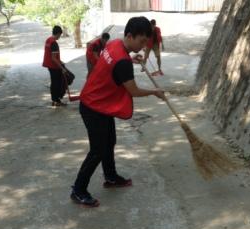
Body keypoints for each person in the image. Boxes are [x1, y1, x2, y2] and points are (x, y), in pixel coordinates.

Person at [71, 16, 166, 207]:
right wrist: (154, 92)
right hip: (92, 106)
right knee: (97, 150)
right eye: (140, 41)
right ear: (130, 36)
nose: (142, 46)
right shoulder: (122, 61)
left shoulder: (115, 43)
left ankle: (111, 177)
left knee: (110, 142)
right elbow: (133, 91)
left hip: (100, 103)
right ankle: (78, 190)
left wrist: (131, 59)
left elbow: (116, 62)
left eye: (145, 42)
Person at [42, 25, 67, 107]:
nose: (60, 37)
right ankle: (56, 100)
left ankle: (54, 100)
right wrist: (61, 68)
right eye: (60, 35)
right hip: (54, 66)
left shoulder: (48, 40)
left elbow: (51, 56)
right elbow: (53, 58)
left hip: (50, 65)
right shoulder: (54, 43)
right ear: (58, 33)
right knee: (57, 84)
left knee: (54, 83)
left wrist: (61, 62)